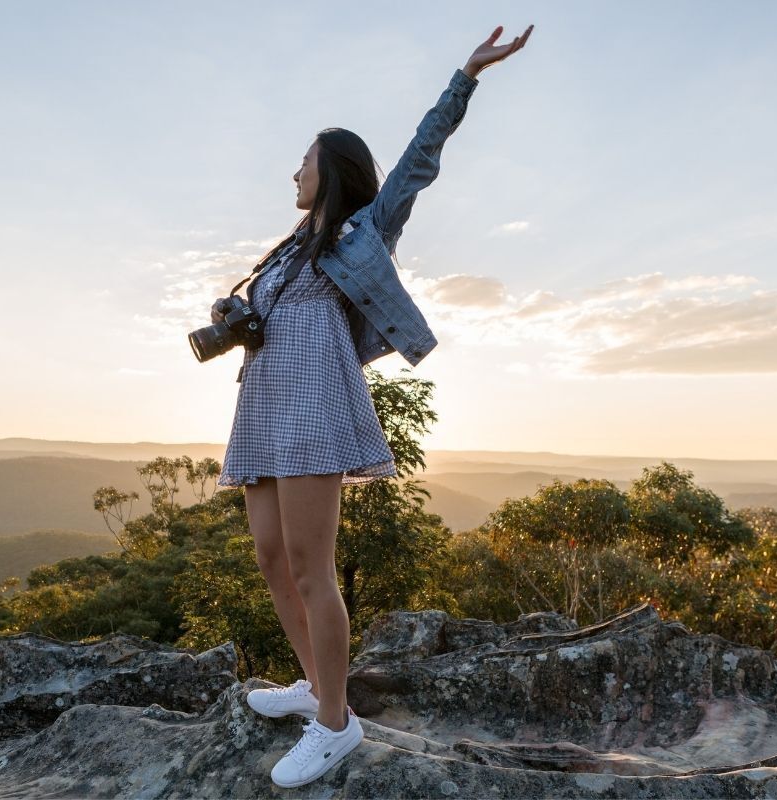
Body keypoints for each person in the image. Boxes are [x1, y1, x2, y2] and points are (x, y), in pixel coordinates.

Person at [209, 23, 532, 789]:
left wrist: (466, 77)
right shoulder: (288, 249)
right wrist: (234, 313)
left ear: (336, 174)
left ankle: (335, 726)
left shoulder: (364, 232)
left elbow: (420, 160)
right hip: (263, 405)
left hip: (316, 408)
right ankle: (317, 686)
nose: (294, 171)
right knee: (270, 559)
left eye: (306, 163)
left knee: (314, 571)